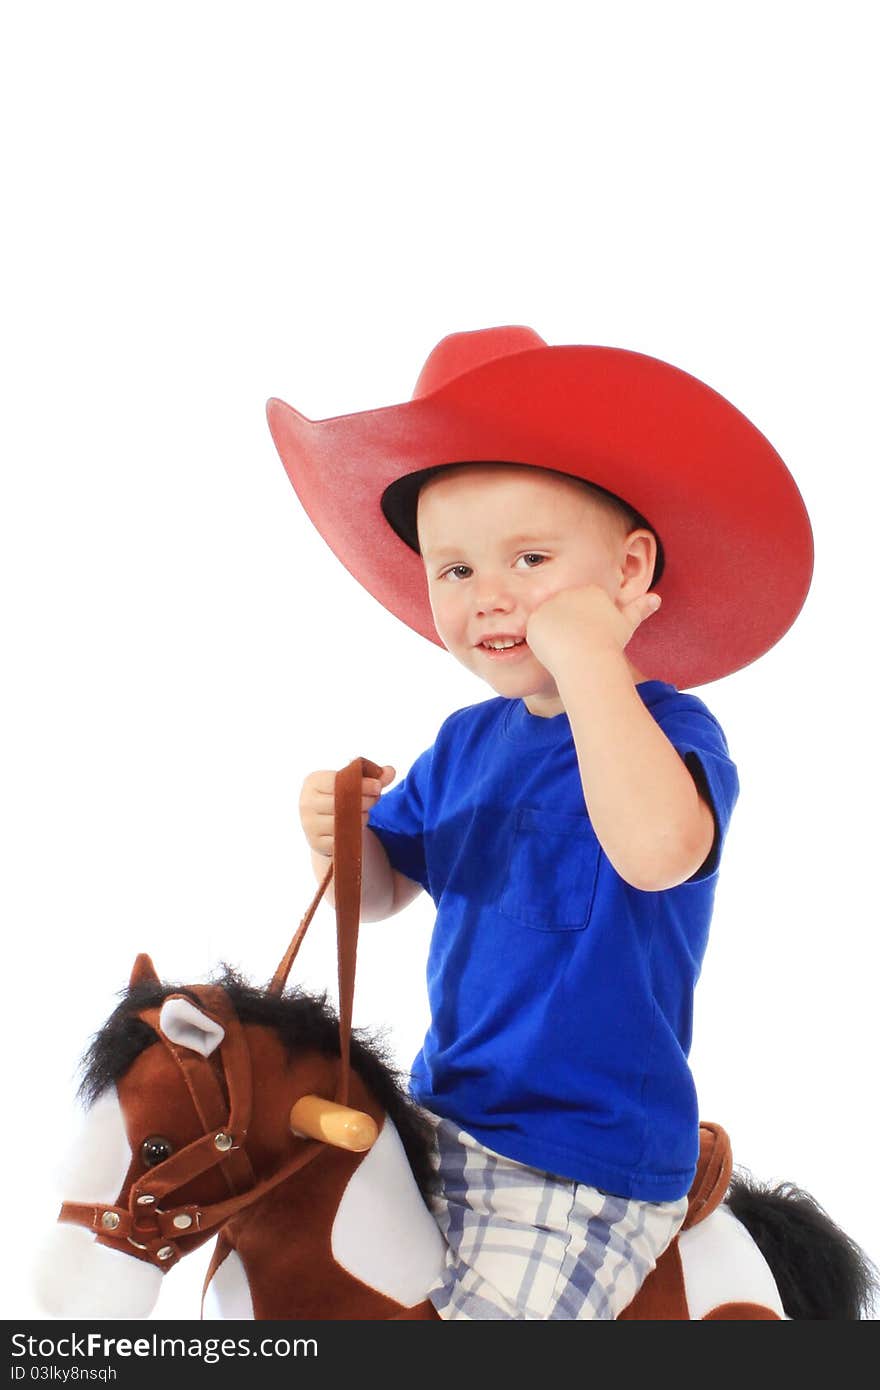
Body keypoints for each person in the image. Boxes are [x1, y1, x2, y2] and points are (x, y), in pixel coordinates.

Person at [277, 325, 813, 1320]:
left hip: (580, 1157)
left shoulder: (667, 730)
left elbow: (657, 853)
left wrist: (590, 661)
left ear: (626, 572)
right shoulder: (466, 738)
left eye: (528, 557)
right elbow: (391, 887)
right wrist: (339, 836)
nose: (489, 598)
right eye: (455, 571)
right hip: (445, 1115)